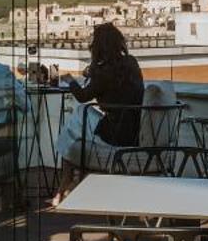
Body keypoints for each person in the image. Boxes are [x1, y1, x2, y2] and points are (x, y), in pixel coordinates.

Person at [56, 22, 144, 168]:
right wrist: (94, 71)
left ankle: (67, 177)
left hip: (115, 133)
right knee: (75, 131)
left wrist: (71, 81)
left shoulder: (103, 73)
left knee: (79, 114)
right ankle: (72, 178)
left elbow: (83, 96)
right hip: (134, 130)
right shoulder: (131, 62)